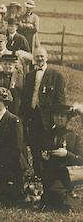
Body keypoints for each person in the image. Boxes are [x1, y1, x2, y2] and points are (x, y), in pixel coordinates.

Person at [20, 47, 66, 176]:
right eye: (37, 56)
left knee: (48, 144)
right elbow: (25, 98)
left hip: (48, 117)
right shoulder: (29, 75)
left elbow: (60, 99)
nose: (39, 59)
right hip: (33, 115)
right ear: (33, 58)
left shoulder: (56, 75)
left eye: (42, 56)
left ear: (46, 57)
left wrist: (58, 118)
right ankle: (38, 172)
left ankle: (49, 172)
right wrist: (23, 116)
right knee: (34, 144)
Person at [0, 87, 27, 204]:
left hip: (12, 165)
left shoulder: (14, 120)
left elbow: (17, 147)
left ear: (5, 103)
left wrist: (6, 163)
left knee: (11, 196)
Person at [40, 104, 83, 213]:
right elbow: (42, 151)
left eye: (62, 116)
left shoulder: (74, 137)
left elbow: (80, 159)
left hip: (65, 175)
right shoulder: (47, 134)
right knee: (48, 201)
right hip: (49, 174)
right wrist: (44, 156)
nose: (59, 118)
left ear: (67, 119)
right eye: (56, 115)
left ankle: (74, 207)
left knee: (54, 193)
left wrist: (67, 154)